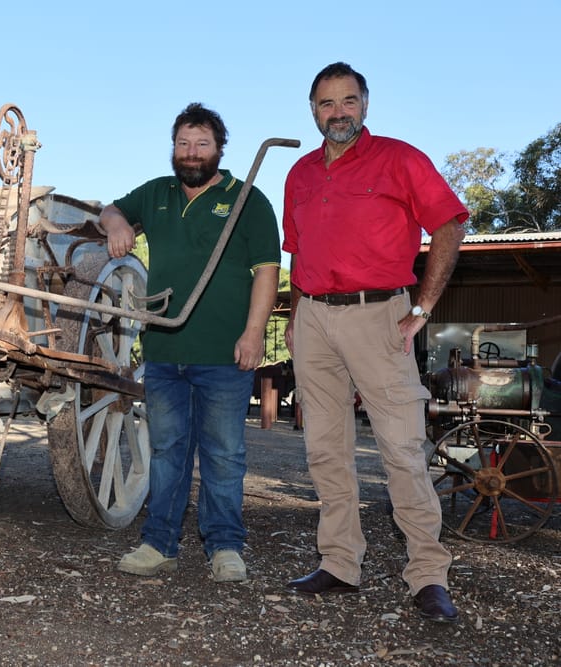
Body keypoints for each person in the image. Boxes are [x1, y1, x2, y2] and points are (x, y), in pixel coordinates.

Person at [281, 62, 468, 622]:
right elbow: (299, 251)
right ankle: (339, 562)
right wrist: (295, 315)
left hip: (379, 313)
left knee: (402, 449)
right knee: (325, 448)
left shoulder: (399, 158)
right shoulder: (300, 174)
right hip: (314, 317)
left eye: (348, 101)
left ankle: (428, 573)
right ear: (312, 110)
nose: (337, 112)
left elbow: (450, 224)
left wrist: (422, 307)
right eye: (326, 103)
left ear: (365, 103)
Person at [100, 102, 281, 583]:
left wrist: (254, 333)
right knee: (167, 451)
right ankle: (159, 544)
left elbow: (267, 270)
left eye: (202, 144)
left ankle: (225, 546)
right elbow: (112, 210)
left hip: (224, 354)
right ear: (173, 148)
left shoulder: (248, 200)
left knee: (223, 454)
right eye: (183, 143)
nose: (192, 152)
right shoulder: (156, 193)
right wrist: (117, 223)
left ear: (220, 149)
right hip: (164, 353)